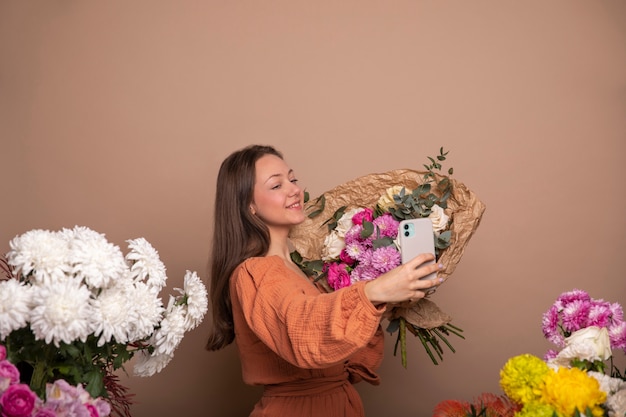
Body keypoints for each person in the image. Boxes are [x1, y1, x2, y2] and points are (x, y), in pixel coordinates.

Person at [205, 144, 443, 417]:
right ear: (249, 205)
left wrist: (389, 298)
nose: (294, 190)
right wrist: (375, 290)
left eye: (292, 180)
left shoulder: (304, 275)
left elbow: (341, 355)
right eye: (276, 185)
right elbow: (302, 328)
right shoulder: (253, 273)